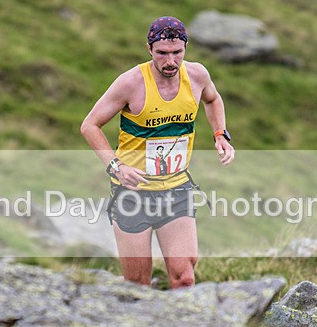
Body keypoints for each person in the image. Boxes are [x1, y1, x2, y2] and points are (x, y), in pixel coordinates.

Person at [80, 16, 234, 288]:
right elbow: (89, 125)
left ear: (185, 48)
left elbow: (213, 99)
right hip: (133, 194)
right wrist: (117, 167)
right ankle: (103, 295)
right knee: (138, 283)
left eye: (177, 53)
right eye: (162, 53)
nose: (170, 61)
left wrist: (220, 134)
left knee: (184, 277)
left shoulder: (197, 75)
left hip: (176, 190)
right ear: (149, 49)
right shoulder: (130, 83)